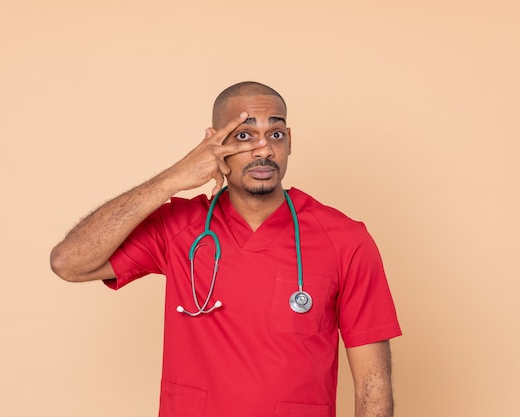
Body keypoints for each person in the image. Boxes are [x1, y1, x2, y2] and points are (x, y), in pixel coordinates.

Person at [50, 81, 402, 417]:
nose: (263, 149)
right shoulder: (179, 229)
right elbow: (70, 262)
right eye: (244, 135)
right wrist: (175, 176)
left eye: (275, 134)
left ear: (290, 142)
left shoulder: (345, 239)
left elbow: (373, 384)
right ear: (214, 142)